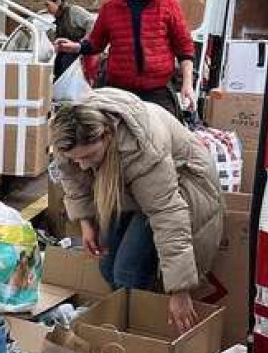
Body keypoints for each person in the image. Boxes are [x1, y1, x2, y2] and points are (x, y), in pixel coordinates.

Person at [50, 89, 223, 336]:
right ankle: (125, 316)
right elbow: (73, 180)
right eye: (77, 159)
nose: (84, 164)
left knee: (126, 271)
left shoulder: (143, 147)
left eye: (89, 156)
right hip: (134, 191)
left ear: (107, 135)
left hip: (184, 186)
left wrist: (180, 289)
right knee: (108, 267)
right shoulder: (67, 134)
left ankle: (134, 330)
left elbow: (167, 213)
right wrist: (86, 222)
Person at [56, 0, 195, 118]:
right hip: (119, 91)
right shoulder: (110, 8)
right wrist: (75, 47)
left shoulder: (169, 6)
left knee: (168, 140)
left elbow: (185, 48)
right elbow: (96, 43)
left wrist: (187, 84)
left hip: (158, 91)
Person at [43, 0, 96, 80]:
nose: (47, 9)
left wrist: (84, 42)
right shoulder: (58, 20)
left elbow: (92, 22)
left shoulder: (73, 12)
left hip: (80, 64)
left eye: (48, 5)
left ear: (58, 2)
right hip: (66, 64)